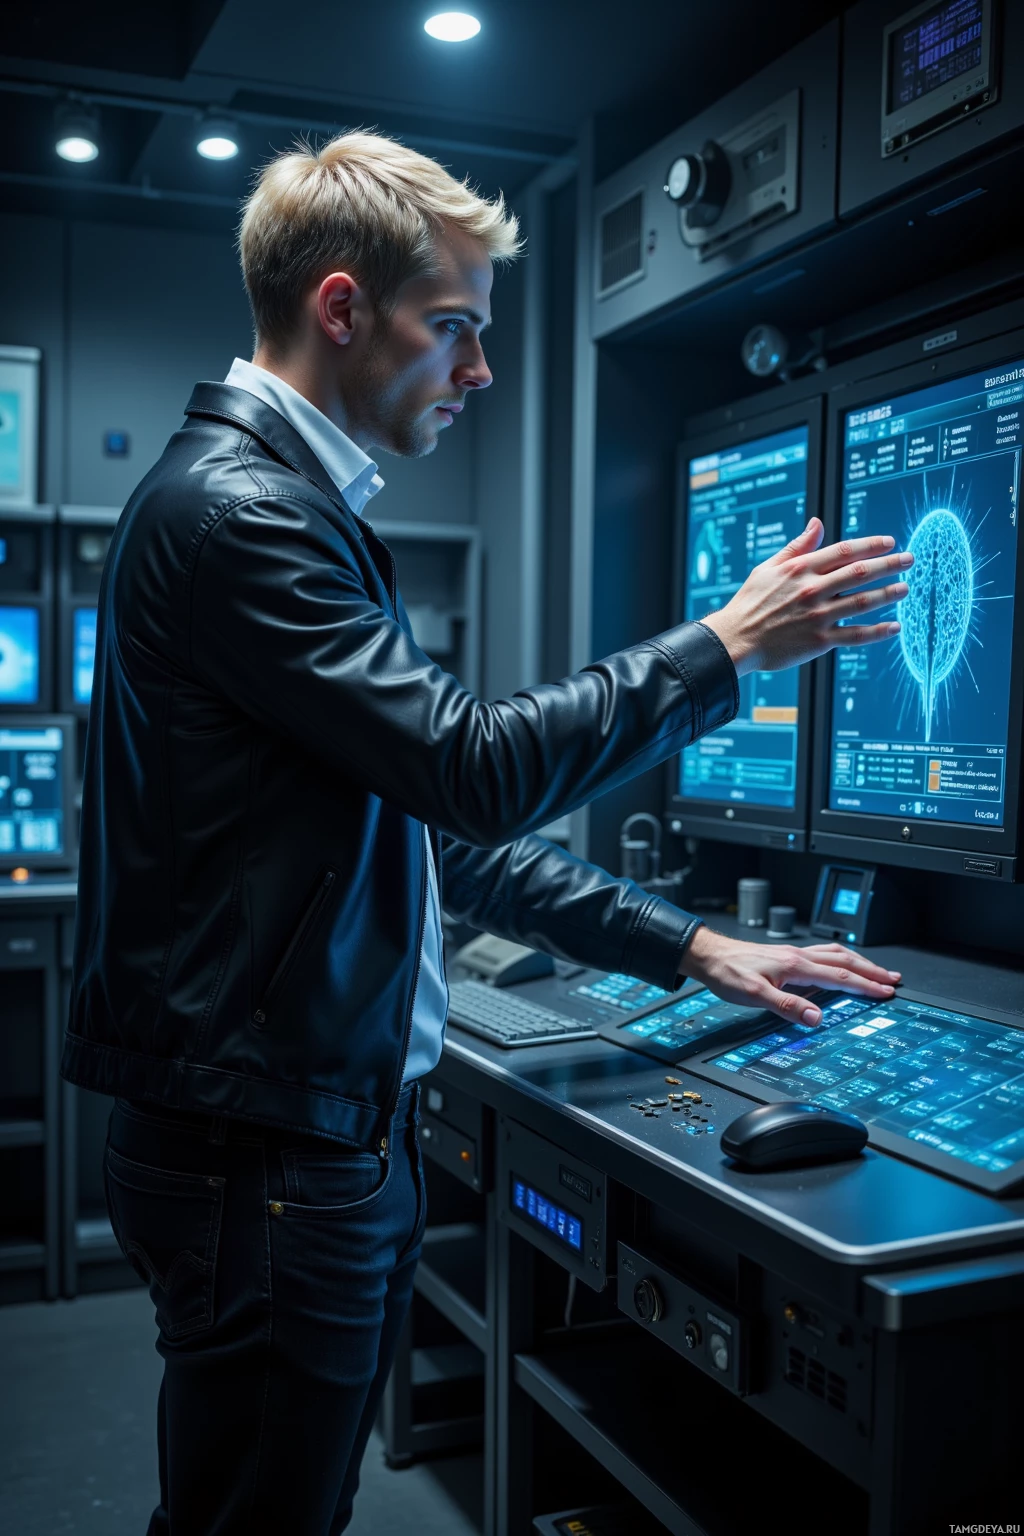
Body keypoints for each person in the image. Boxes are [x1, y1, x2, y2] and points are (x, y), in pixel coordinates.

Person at [61, 131, 912, 1535]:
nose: (480, 370)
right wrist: (727, 647)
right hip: (267, 1159)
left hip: (290, 1144)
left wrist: (690, 945)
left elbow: (427, 835)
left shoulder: (280, 508)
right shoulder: (242, 518)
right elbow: (472, 770)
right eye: (454, 326)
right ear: (343, 309)